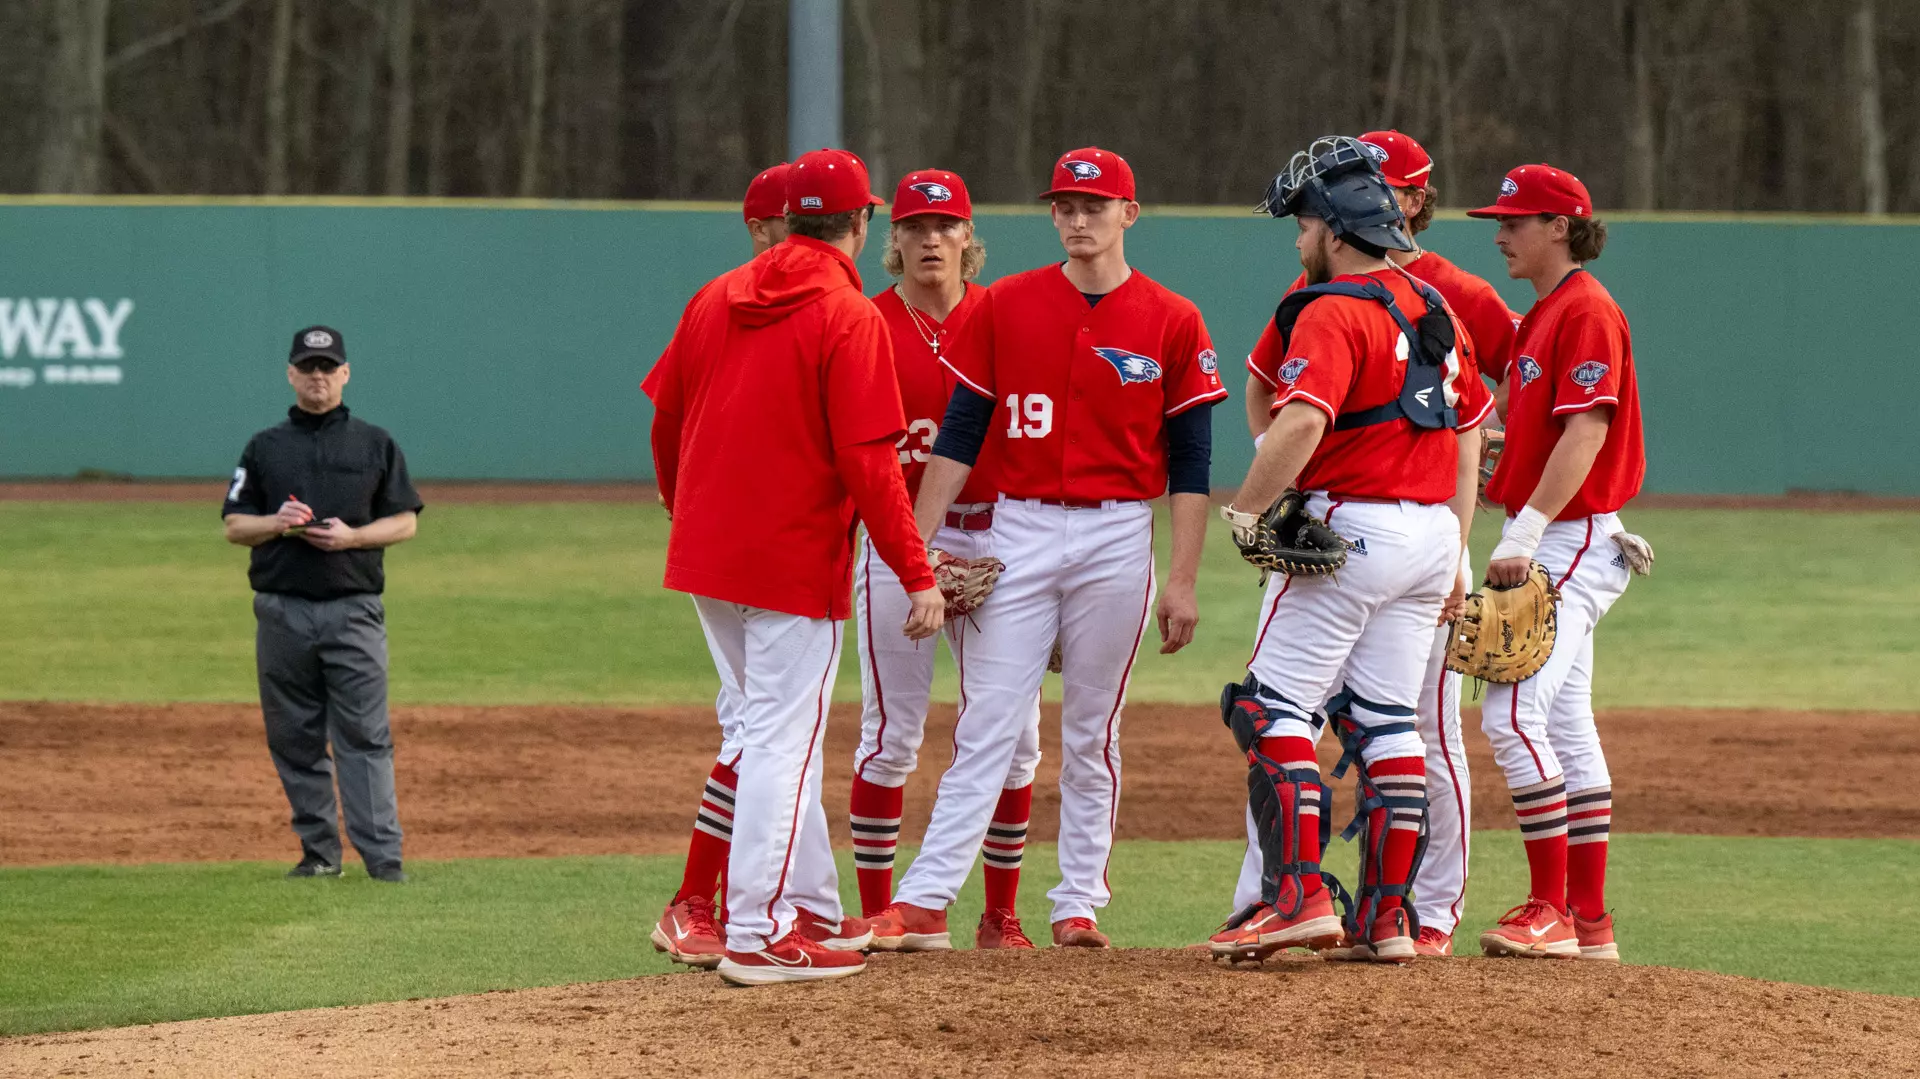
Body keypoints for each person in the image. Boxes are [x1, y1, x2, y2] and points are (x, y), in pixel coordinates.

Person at [869, 146, 1226, 950]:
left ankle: (1077, 903)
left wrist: (1183, 578)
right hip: (1018, 528)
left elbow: (1194, 462)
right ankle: (926, 898)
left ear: (1128, 214)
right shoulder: (1007, 305)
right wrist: (915, 548)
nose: (1076, 219)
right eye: (1064, 206)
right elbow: (961, 434)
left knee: (1094, 728)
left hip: (1116, 534)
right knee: (990, 719)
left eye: (1093, 206)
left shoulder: (1173, 317)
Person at [642, 148, 944, 986]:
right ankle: (758, 932)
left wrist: (681, 500)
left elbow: (667, 417)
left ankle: (808, 908)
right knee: (784, 735)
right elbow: (871, 465)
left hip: (709, 550)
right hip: (789, 555)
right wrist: (915, 573)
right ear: (860, 222)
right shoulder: (848, 315)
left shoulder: (714, 296)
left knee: (770, 732)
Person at [1230, 129, 1514, 957]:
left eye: (1304, 225)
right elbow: (1469, 436)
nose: (1297, 238)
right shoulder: (1437, 308)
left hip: (1351, 524)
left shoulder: (1330, 310)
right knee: (1391, 723)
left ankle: (1298, 893)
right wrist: (1456, 549)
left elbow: (1303, 418)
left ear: (1333, 228)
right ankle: (1389, 920)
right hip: (1431, 535)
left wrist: (1249, 511)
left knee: (1271, 708)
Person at [844, 169, 1044, 949]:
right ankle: (878, 910)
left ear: (970, 238)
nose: (931, 238)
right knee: (892, 732)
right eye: (915, 226)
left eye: (945, 225)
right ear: (891, 240)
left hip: (1001, 535)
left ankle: (1002, 915)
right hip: (900, 538)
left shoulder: (1002, 315)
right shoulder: (865, 322)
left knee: (1015, 733)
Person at [1466, 165, 1646, 962]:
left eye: (1516, 220)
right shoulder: (1545, 313)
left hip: (1569, 536)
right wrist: (1498, 460)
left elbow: (1588, 433)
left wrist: (1525, 530)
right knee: (1567, 726)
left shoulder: (1587, 312)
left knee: (1508, 715)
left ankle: (1551, 909)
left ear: (1561, 227)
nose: (1500, 233)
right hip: (1563, 528)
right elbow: (1544, 429)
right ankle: (1590, 920)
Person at [221, 325, 423, 884]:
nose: (317, 378)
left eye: (327, 367)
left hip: (352, 608)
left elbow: (406, 519)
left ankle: (384, 861)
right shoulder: (265, 447)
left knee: (365, 736)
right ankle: (319, 855)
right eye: (307, 368)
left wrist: (354, 538)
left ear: (345, 373)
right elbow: (235, 526)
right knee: (294, 736)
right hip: (281, 610)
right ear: (290, 373)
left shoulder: (374, 443)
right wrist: (276, 523)